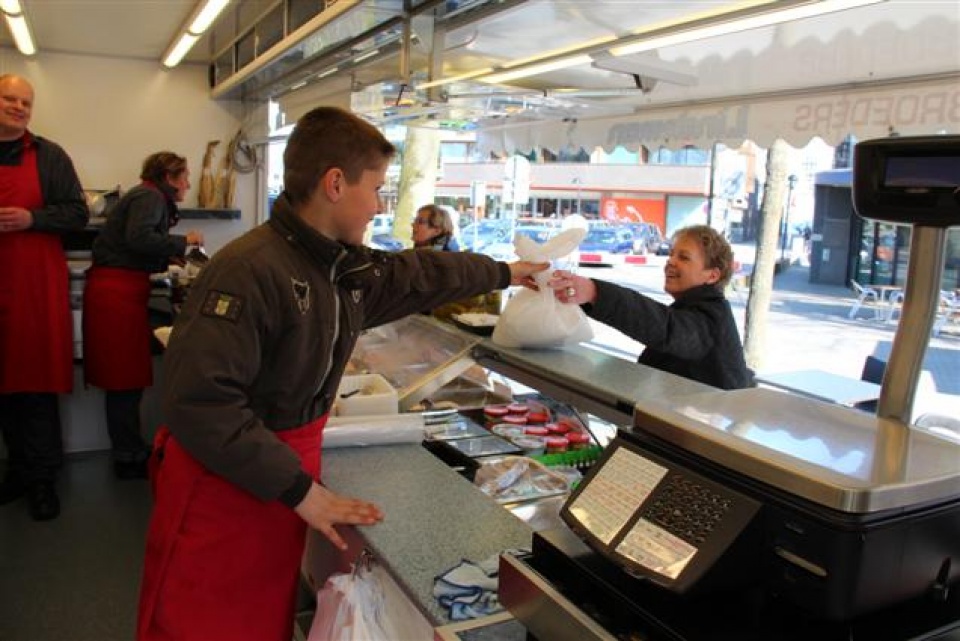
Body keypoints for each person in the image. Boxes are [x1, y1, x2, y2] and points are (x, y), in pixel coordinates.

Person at [136, 106, 547, 641]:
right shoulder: (248, 270)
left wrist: (505, 272)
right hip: (223, 489)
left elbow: (418, 273)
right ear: (335, 184)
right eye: (375, 188)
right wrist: (301, 491)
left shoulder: (338, 267)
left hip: (276, 481)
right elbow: (200, 404)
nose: (379, 205)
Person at [82, 152, 204, 480]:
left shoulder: (144, 195)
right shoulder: (149, 197)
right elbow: (140, 238)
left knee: (125, 380)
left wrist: (167, 258)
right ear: (169, 177)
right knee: (123, 381)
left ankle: (131, 450)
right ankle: (128, 457)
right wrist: (184, 242)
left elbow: (134, 244)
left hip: (119, 293)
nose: (188, 184)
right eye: (184, 177)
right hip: (116, 296)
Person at [0, 74, 89, 521]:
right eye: (9, 99)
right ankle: (17, 471)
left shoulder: (49, 156)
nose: (19, 107)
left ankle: (42, 480)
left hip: (32, 287)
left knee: (34, 386)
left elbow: (77, 212)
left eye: (26, 102)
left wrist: (31, 219)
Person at [549, 224, 752, 390]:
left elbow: (664, 327)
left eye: (683, 257)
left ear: (712, 275)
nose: (670, 262)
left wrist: (595, 293)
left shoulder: (712, 318)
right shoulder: (692, 308)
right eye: (671, 254)